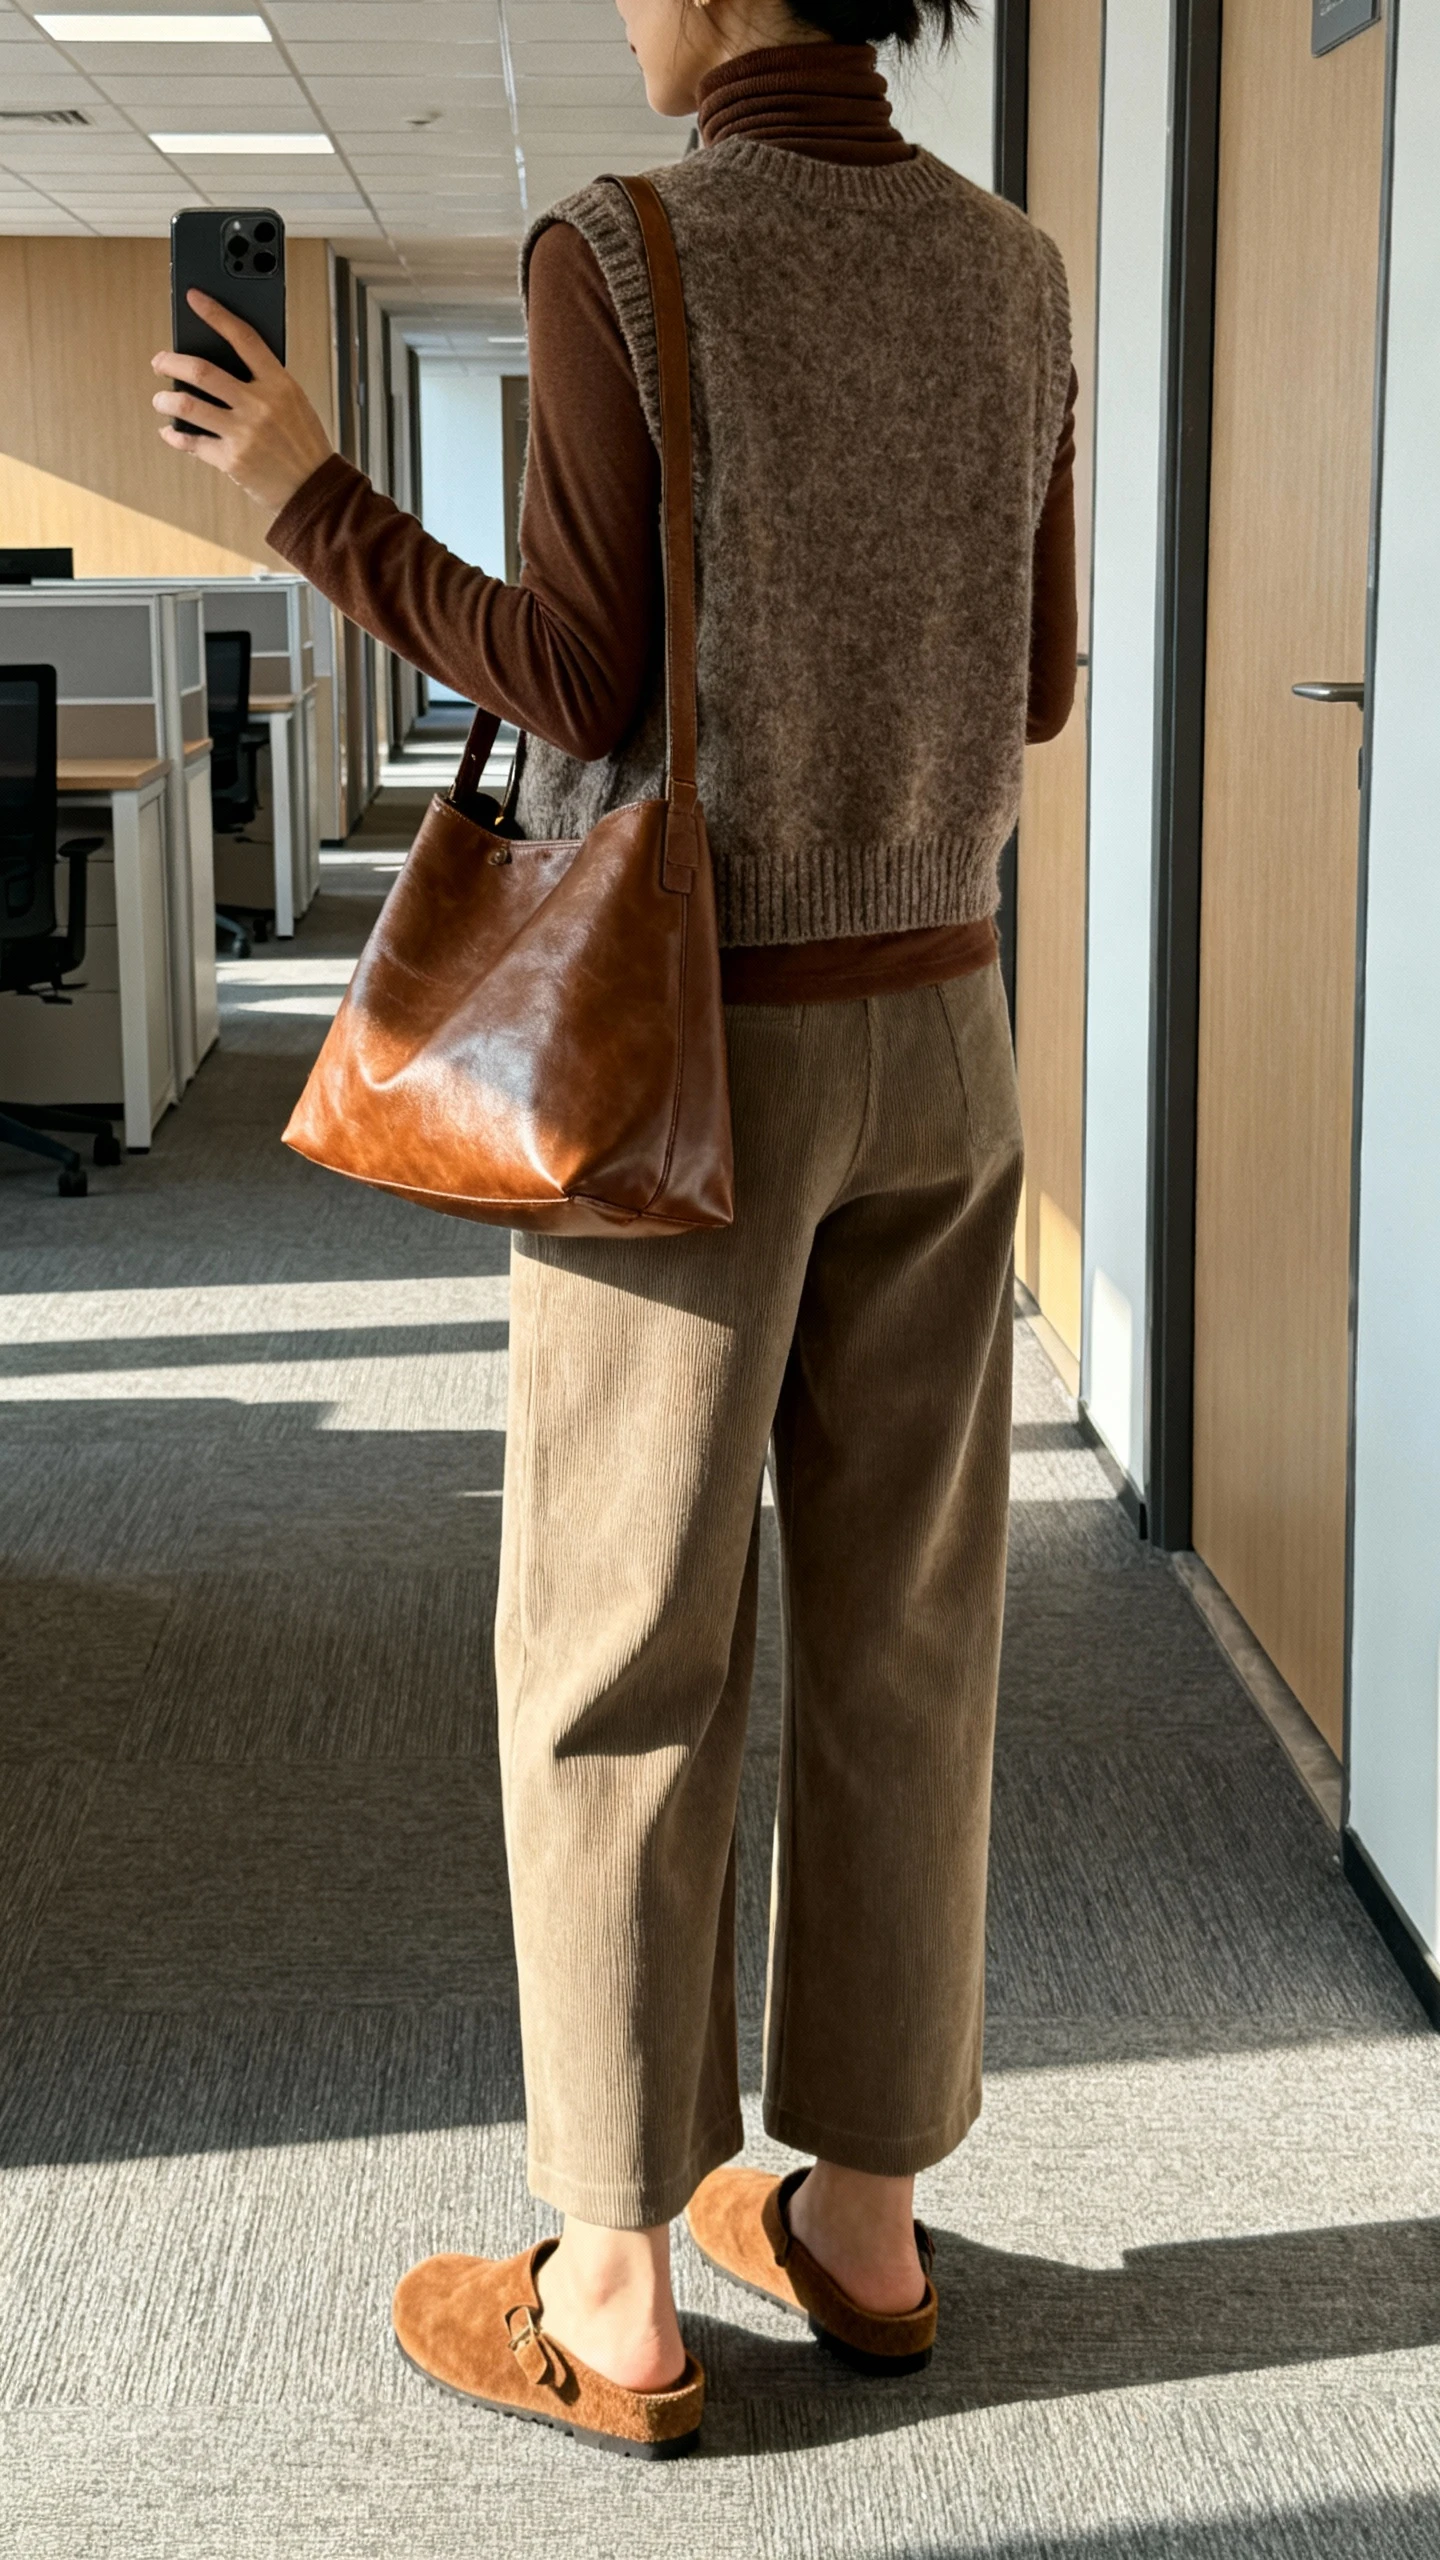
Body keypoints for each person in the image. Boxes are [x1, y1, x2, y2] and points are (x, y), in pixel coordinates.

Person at [155, 0, 1076, 2463]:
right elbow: (1046, 681)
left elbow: (575, 674)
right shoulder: (1014, 269)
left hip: (683, 1056)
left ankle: (615, 2286)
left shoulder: (627, 254)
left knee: (617, 1643)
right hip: (948, 1031)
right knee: (906, 1636)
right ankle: (866, 2223)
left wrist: (312, 497)